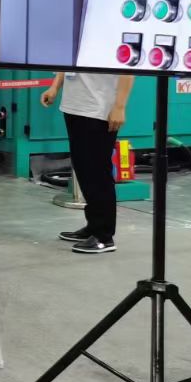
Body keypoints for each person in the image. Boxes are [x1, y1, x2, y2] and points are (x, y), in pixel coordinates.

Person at [41, 71, 135, 254]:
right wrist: (54, 87)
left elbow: (127, 71)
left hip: (99, 110)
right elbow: (66, 64)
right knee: (84, 169)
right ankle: (93, 226)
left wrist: (119, 106)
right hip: (74, 106)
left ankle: (104, 236)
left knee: (97, 172)